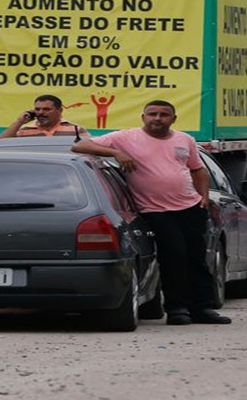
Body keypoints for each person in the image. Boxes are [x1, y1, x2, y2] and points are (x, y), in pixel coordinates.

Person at [72, 100, 229, 326]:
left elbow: (198, 170)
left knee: (197, 259)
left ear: (173, 119)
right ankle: (177, 309)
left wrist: (203, 197)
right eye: (152, 114)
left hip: (190, 207)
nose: (157, 118)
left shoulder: (184, 139)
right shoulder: (126, 138)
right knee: (173, 257)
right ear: (143, 117)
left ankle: (203, 308)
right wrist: (116, 153)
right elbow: (80, 147)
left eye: (163, 114)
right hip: (155, 210)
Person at [0, 94, 91, 138]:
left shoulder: (76, 130)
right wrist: (18, 122)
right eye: (37, 109)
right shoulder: (24, 131)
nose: (40, 113)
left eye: (46, 109)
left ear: (60, 110)